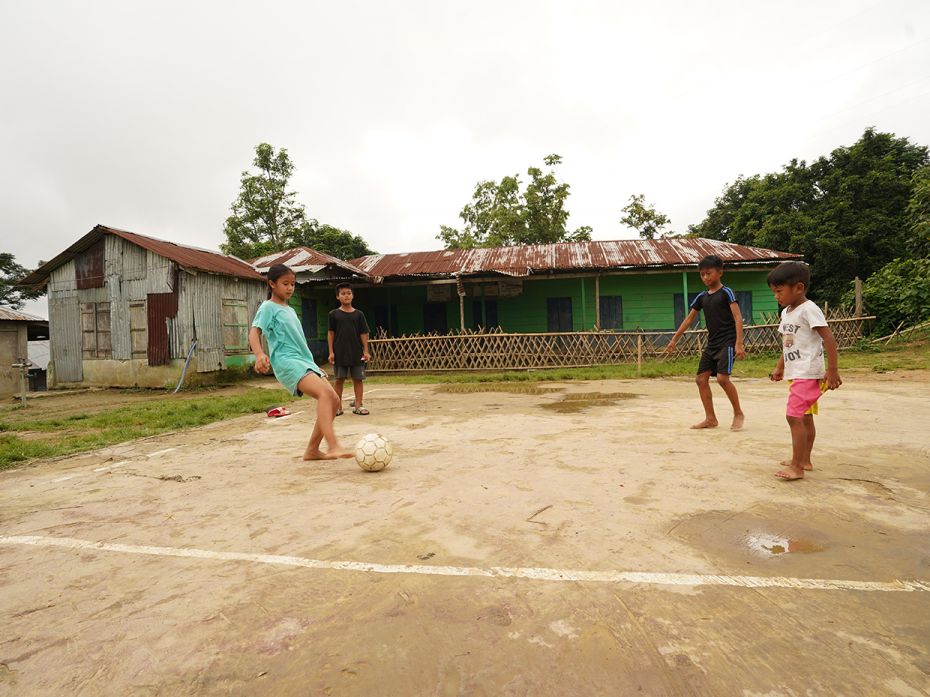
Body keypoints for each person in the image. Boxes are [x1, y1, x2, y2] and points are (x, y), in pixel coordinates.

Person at [249, 264, 353, 461]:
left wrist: (313, 366)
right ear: (272, 284)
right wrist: (259, 353)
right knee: (324, 394)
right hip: (286, 362)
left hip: (303, 361)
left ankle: (312, 450)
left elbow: (297, 341)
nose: (290, 288)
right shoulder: (268, 307)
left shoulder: (288, 309)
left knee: (334, 400)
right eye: (285, 284)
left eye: (293, 284)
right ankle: (333, 445)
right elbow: (255, 331)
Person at [768, 261, 842, 481]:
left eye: (779, 291)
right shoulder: (787, 313)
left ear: (798, 288)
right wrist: (780, 366)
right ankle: (804, 461)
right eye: (774, 292)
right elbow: (788, 343)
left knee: (794, 416)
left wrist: (833, 370)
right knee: (805, 417)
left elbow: (828, 338)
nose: (776, 297)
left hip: (808, 371)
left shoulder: (809, 309)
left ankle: (797, 467)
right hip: (796, 371)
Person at [665, 255, 747, 430]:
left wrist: (739, 343)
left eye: (708, 273)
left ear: (720, 272)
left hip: (728, 342)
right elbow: (689, 319)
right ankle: (711, 418)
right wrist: (674, 339)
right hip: (712, 344)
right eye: (702, 274)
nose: (705, 278)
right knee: (701, 379)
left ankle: (738, 412)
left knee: (723, 379)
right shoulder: (702, 297)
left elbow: (738, 317)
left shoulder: (727, 292)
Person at [328, 282, 371, 415]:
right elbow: (331, 333)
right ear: (337, 297)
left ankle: (358, 406)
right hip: (339, 353)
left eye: (349, 293)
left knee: (358, 379)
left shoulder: (359, 314)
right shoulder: (333, 314)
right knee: (339, 380)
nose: (346, 296)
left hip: (356, 352)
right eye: (343, 293)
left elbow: (363, 333)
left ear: (353, 296)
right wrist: (331, 352)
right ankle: (338, 407)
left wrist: (366, 350)